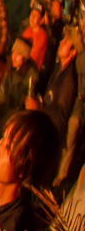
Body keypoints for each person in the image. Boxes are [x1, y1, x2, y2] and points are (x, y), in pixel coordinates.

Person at [28, 26, 81, 185]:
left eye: (66, 41)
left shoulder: (69, 80)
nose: (62, 42)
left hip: (50, 134)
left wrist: (39, 108)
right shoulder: (58, 68)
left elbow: (60, 115)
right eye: (63, 39)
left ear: (73, 52)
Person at [19, 7, 48, 71]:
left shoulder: (42, 36)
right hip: (22, 62)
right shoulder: (28, 30)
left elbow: (32, 56)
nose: (32, 17)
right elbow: (19, 47)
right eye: (31, 14)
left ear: (41, 21)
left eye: (35, 16)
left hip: (31, 69)